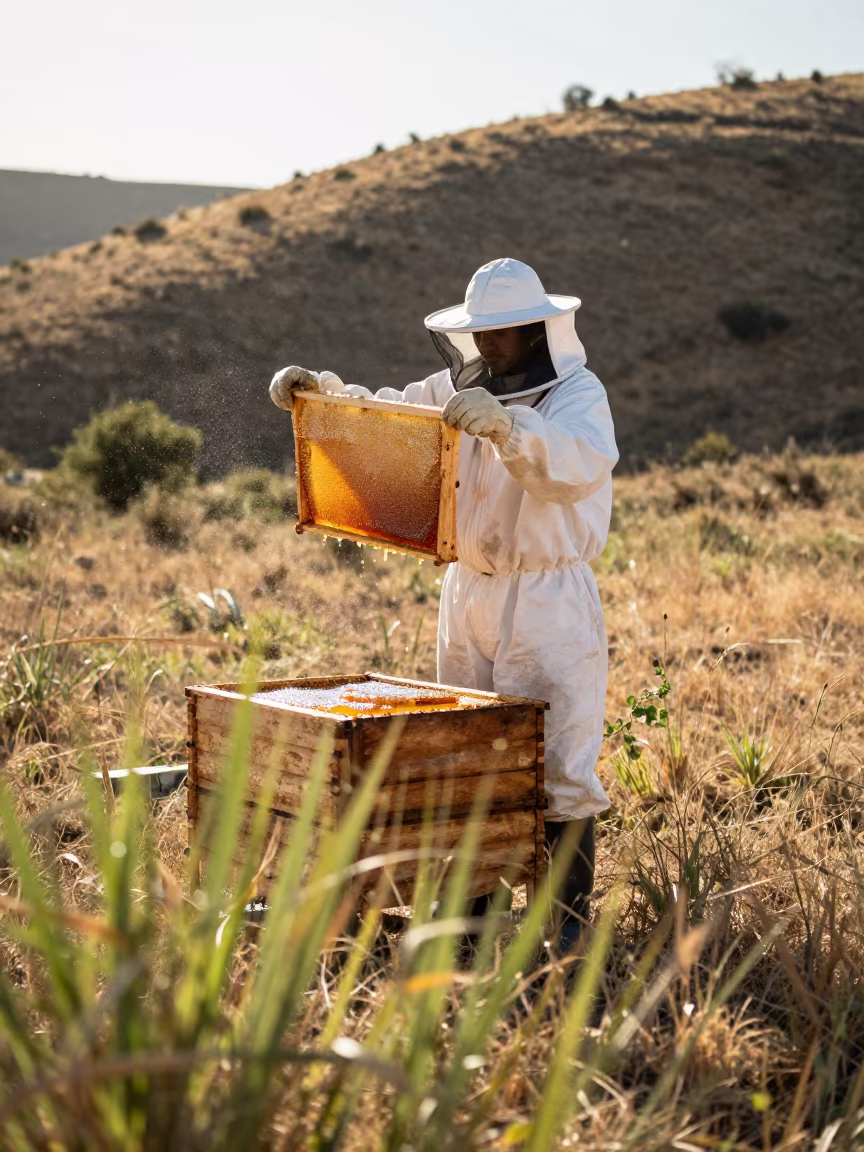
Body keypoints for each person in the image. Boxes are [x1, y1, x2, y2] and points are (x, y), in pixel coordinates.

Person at [269, 258, 618, 952]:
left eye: (500, 334)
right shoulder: (455, 387)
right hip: (468, 594)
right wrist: (320, 395)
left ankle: (565, 935)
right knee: (467, 762)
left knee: (559, 770)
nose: (486, 348)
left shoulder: (577, 395)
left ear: (532, 331)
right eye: (478, 334)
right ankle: (476, 930)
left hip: (547, 597)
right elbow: (386, 417)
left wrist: (509, 431)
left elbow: (579, 464)